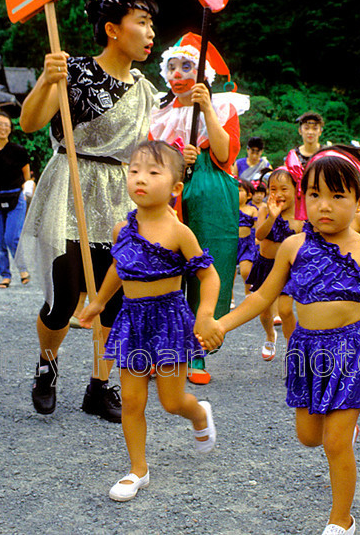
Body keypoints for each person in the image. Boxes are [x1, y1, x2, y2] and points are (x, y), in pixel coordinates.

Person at [199, 146, 360, 535]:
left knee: (335, 443)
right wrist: (222, 324)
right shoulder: (294, 247)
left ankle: (341, 519)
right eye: (314, 195)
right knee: (309, 437)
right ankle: (342, 431)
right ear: (303, 197)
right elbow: (260, 297)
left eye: (337, 196)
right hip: (307, 353)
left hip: (352, 352)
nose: (324, 205)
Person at [18, 0, 158, 420]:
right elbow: (29, 122)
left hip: (118, 195)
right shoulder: (73, 69)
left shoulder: (145, 88)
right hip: (71, 184)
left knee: (114, 299)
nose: (150, 31)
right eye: (142, 22)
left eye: (151, 23)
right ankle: (46, 365)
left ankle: (99, 387)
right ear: (113, 29)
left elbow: (142, 150)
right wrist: (48, 78)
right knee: (65, 296)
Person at [78, 141, 222, 502]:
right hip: (132, 320)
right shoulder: (121, 230)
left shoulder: (179, 232)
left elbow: (209, 276)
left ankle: (199, 413)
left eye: (153, 172)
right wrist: (97, 302)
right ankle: (137, 469)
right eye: (135, 171)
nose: (141, 179)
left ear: (175, 187)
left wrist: (204, 315)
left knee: (171, 402)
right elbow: (117, 267)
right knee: (130, 399)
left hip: (169, 319)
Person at [149, 33, 248, 384]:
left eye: (187, 66)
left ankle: (197, 348)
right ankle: (161, 346)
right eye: (172, 66)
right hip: (168, 190)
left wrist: (205, 107)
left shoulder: (223, 108)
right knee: (162, 266)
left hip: (210, 188)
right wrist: (176, 160)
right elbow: (149, 161)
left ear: (202, 72)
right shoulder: (158, 114)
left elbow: (224, 154)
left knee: (206, 262)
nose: (178, 73)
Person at [246, 168, 304, 360]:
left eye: (284, 189)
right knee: (264, 313)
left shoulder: (301, 216)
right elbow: (259, 235)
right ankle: (270, 335)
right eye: (273, 189)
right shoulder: (264, 209)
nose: (278, 194)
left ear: (296, 189)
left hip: (288, 269)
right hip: (266, 266)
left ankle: (292, 346)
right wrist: (272, 216)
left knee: (286, 310)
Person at [0, 112, 31, 288]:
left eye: (7, 124)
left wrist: (25, 191)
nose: (4, 128)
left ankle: (23, 270)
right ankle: (5, 275)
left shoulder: (18, 151)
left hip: (16, 197)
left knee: (12, 237)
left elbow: (27, 175)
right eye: (0, 124)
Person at [237, 178, 259, 296]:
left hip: (247, 243)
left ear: (249, 195)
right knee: (229, 273)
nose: (236, 193)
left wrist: (257, 238)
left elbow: (256, 225)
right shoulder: (230, 209)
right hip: (232, 242)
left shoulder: (252, 209)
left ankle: (247, 291)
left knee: (246, 270)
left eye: (240, 190)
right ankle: (231, 298)